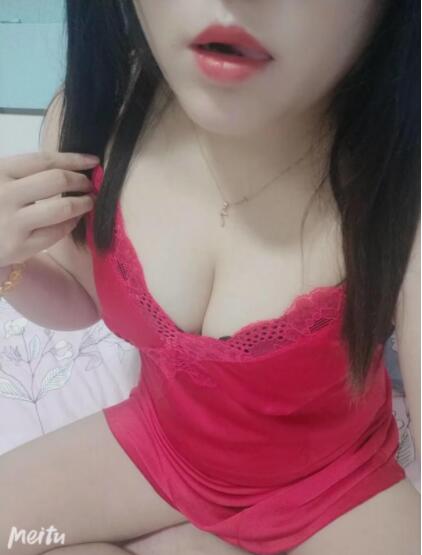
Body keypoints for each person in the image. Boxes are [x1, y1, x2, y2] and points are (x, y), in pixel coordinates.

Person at [0, 1, 420, 554]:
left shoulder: (400, 180)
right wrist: (7, 263)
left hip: (334, 487)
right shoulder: (98, 121)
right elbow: (81, 296)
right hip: (159, 448)